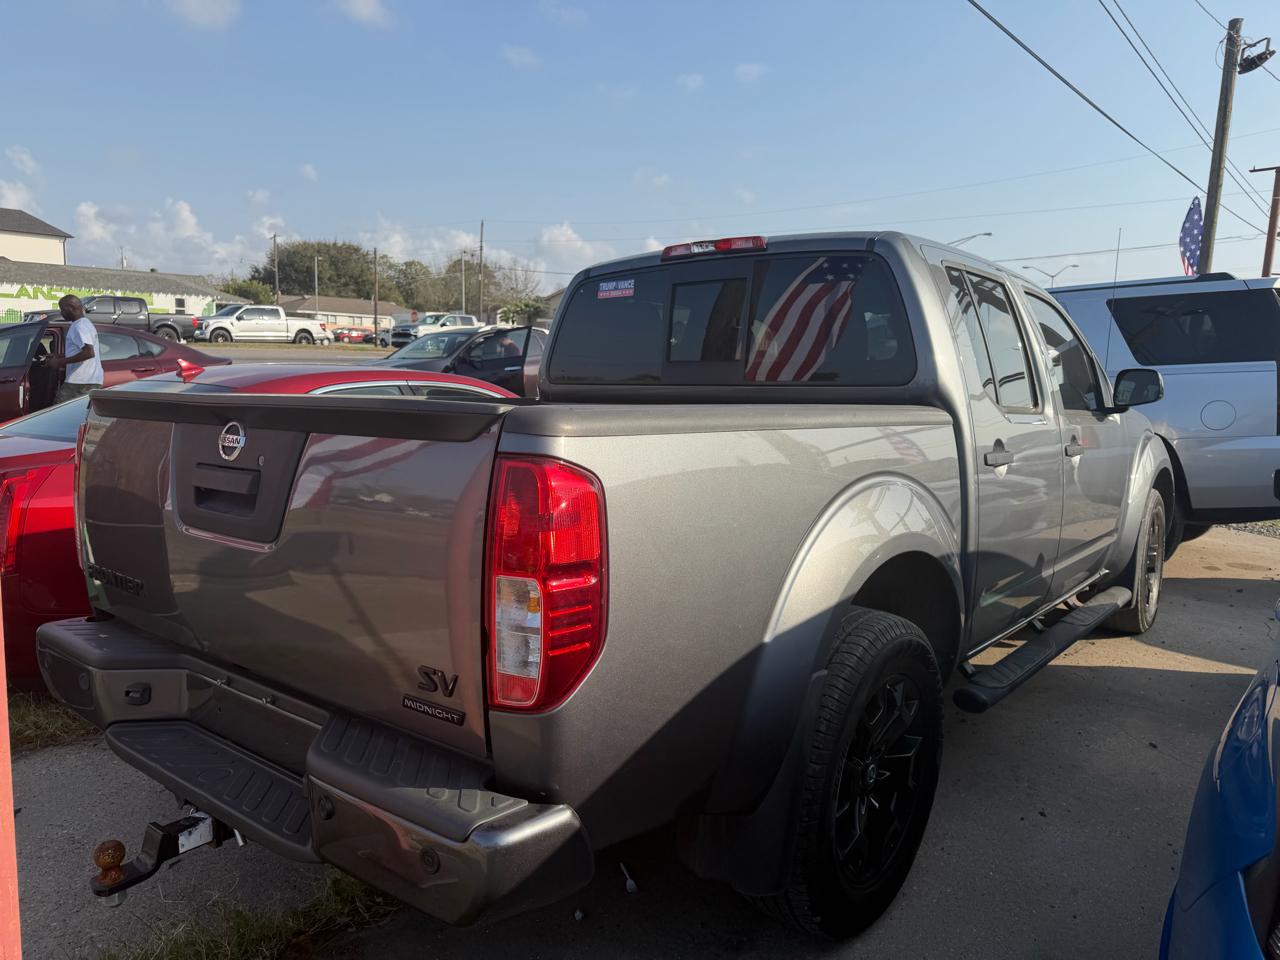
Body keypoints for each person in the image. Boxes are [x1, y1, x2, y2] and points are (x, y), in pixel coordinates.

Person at [48, 295, 103, 403]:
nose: (61, 313)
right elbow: (79, 351)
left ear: (73, 308)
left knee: (57, 412)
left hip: (80, 381)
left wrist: (59, 362)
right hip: (88, 380)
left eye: (63, 309)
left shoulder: (80, 326)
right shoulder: (85, 323)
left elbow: (89, 353)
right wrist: (59, 356)